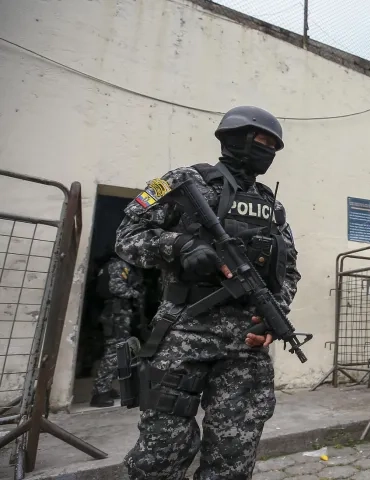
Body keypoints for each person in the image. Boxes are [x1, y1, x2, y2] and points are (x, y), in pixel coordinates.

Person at [115, 105, 301, 480]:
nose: (267, 150)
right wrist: (179, 245)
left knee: (232, 460)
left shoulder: (273, 207)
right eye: (260, 140)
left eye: (273, 146)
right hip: (184, 333)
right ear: (233, 138)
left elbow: (289, 270)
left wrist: (272, 317)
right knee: (161, 455)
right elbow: (127, 237)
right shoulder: (181, 181)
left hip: (245, 347)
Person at [89, 253, 145, 407]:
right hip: (116, 315)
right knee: (113, 352)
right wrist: (136, 294)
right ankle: (100, 393)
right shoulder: (119, 265)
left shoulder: (119, 265)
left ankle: (104, 387)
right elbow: (116, 287)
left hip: (118, 314)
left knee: (119, 351)